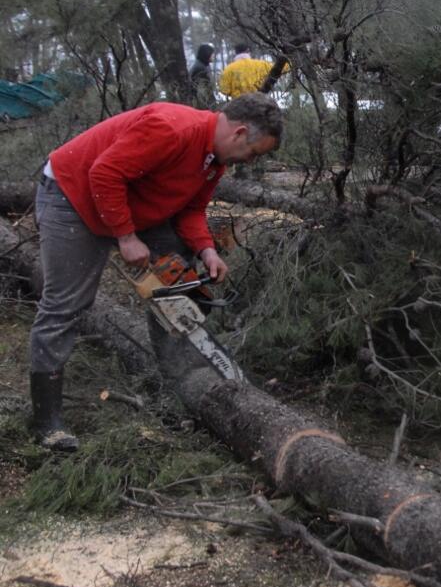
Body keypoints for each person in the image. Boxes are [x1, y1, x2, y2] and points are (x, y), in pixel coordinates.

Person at [29, 93, 283, 451]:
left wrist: (206, 248)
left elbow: (191, 210)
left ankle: (182, 379)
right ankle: (46, 422)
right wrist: (126, 236)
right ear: (240, 132)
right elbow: (104, 173)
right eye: (254, 152)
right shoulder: (171, 129)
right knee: (66, 304)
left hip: (125, 200)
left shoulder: (214, 160)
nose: (250, 160)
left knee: (179, 272)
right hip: (73, 195)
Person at [218, 43, 289, 98]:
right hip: (259, 102)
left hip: (238, 106)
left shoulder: (228, 69)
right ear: (248, 51)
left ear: (235, 52)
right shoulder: (261, 64)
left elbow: (224, 90)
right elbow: (284, 68)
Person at [189, 43, 216, 108]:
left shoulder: (204, 65)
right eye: (212, 54)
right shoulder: (200, 68)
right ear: (207, 54)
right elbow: (202, 92)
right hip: (201, 104)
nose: (214, 56)